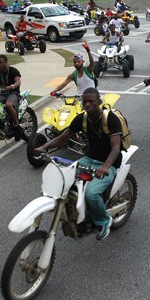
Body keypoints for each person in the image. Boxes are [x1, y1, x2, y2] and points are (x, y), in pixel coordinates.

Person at [35, 87, 123, 241]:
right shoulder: (82, 118)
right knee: (64, 182)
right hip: (88, 160)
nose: (87, 104)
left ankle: (103, 221)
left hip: (109, 163)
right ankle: (75, 214)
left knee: (92, 193)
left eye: (91, 101)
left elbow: (116, 147)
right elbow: (63, 138)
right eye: (85, 101)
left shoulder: (110, 119)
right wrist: (44, 147)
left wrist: (106, 166)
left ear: (99, 102)